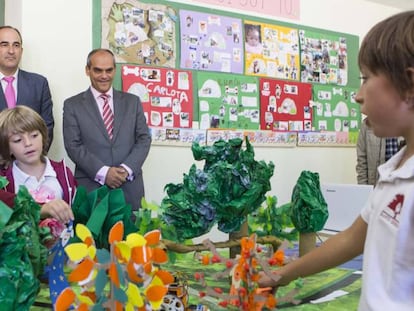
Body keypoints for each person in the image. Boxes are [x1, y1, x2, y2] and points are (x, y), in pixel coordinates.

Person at [259, 11, 414, 311]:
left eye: (367, 79)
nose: (357, 96)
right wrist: (284, 274)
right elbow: (352, 238)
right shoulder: (394, 169)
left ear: (409, 86)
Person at [63, 48, 151, 214]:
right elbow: (73, 145)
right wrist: (104, 173)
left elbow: (144, 139)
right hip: (92, 189)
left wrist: (125, 170)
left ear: (114, 70)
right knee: (90, 240)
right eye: (98, 70)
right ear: (87, 70)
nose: (104, 76)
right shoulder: (72, 105)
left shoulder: (133, 102)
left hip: (129, 189)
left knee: (132, 239)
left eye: (109, 70)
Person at [0, 106, 75, 243]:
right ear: (7, 148)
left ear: (43, 136)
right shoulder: (4, 182)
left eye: (34, 136)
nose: (28, 143)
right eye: (17, 140)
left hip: (61, 255)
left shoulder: (63, 173)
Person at [0, 26, 54, 150]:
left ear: (21, 51)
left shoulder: (39, 84)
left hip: (30, 164)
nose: (11, 51)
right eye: (4, 45)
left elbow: (47, 128)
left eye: (16, 45)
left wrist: (31, 161)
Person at [356, 117, 401, 185]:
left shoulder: (406, 122)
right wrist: (364, 189)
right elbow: (362, 162)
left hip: (402, 186)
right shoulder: (367, 124)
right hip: (376, 185)